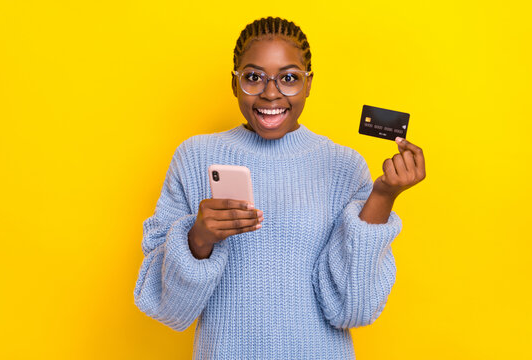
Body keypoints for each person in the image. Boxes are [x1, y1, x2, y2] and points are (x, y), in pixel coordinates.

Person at [133, 16, 426, 359]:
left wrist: (383, 195)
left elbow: (353, 309)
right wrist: (198, 239)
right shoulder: (195, 157)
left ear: (309, 84)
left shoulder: (344, 166)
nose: (271, 93)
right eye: (254, 77)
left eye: (289, 78)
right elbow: (166, 307)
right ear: (234, 83)